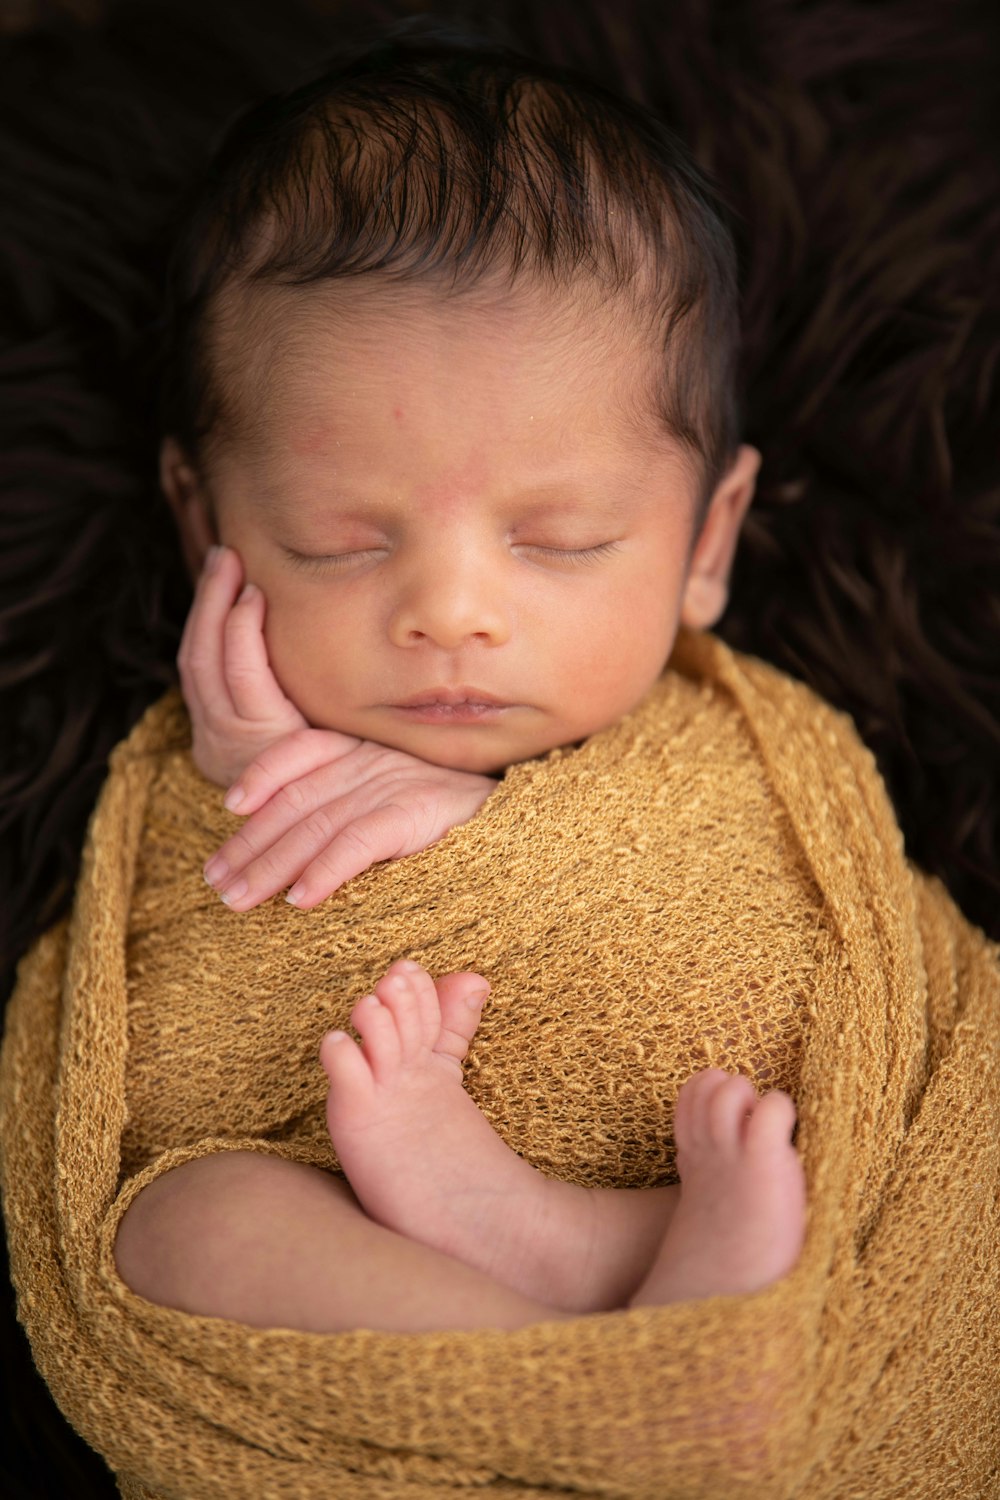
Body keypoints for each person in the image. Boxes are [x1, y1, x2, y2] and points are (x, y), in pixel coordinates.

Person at [106, 33, 809, 1336]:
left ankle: (593, 1264)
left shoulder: (741, 752)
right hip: (405, 1293)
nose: (450, 615)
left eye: (560, 541)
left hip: (707, 1200)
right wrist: (252, 790)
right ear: (205, 525)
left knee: (850, 1145)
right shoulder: (195, 756)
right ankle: (605, 1389)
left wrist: (486, 842)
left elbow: (788, 968)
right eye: (340, 543)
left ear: (705, 544)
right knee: (172, 1227)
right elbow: (169, 1058)